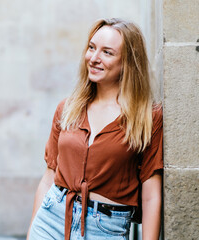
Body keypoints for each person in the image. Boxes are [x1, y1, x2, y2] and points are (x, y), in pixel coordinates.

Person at [27, 18, 163, 240]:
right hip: (51, 220)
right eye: (91, 48)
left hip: (106, 229)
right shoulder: (68, 108)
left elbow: (151, 194)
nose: (94, 58)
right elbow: (49, 176)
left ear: (128, 62)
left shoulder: (147, 117)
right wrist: (33, 230)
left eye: (107, 52)